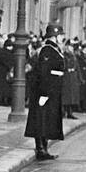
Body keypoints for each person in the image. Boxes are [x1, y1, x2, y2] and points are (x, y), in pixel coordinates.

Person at [25, 24, 66, 161]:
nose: (62, 37)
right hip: (46, 91)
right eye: (60, 35)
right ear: (54, 36)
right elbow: (45, 73)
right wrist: (44, 93)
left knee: (47, 121)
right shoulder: (47, 51)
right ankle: (40, 149)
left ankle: (44, 148)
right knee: (41, 121)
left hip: (52, 91)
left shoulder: (54, 50)